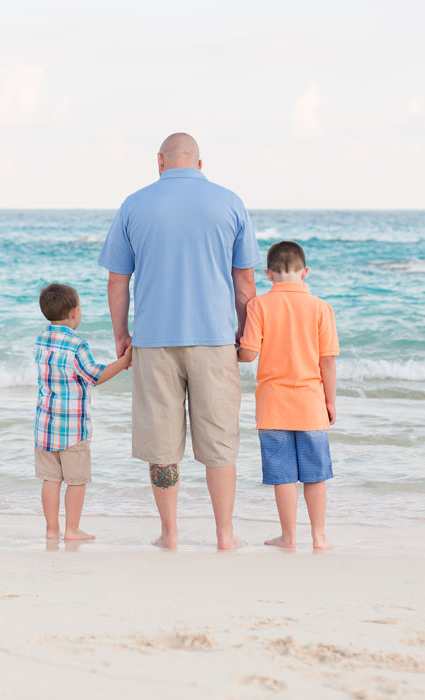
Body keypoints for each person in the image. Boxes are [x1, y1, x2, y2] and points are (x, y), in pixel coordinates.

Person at [98, 132, 261, 550]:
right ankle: (225, 535)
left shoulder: (134, 204)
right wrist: (247, 334)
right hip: (216, 341)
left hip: (154, 341)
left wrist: (121, 333)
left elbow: (119, 280)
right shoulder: (230, 202)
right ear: (200, 164)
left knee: (162, 443)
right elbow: (244, 281)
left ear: (160, 161)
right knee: (220, 440)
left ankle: (169, 534)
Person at [237, 241, 339, 550]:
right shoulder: (321, 307)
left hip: (273, 403)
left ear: (268, 274)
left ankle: (289, 536)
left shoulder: (259, 305)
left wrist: (235, 349)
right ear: (305, 272)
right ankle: (319, 536)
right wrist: (330, 400)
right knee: (315, 473)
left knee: (282, 473)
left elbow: (249, 355)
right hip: (311, 402)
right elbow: (327, 360)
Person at [34, 282, 132, 541]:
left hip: (45, 424)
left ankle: (51, 529)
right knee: (76, 480)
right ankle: (72, 530)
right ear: (75, 312)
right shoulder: (77, 345)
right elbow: (94, 376)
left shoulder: (41, 339)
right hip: (73, 427)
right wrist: (124, 362)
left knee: (50, 479)